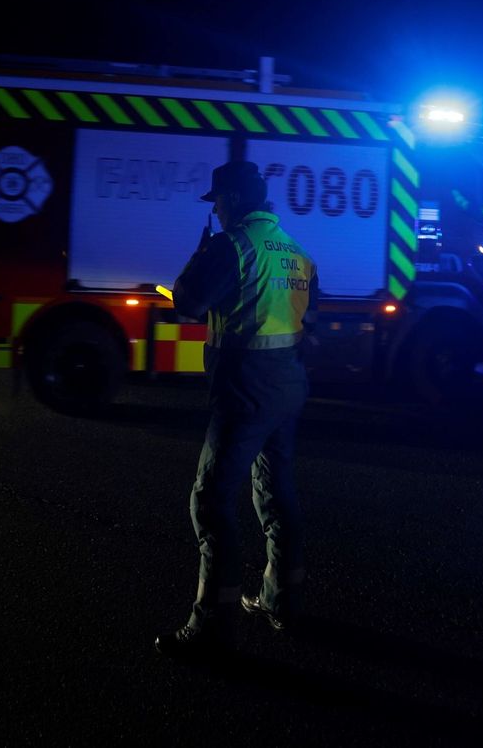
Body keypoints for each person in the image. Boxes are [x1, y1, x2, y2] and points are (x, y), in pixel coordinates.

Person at [155, 160, 319, 659]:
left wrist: (200, 253)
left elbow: (187, 301)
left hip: (245, 392)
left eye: (218, 202)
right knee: (275, 492)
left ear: (232, 201)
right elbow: (305, 315)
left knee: (210, 501)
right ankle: (283, 600)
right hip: (287, 387)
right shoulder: (295, 250)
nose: (217, 211)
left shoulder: (231, 246)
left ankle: (212, 627)